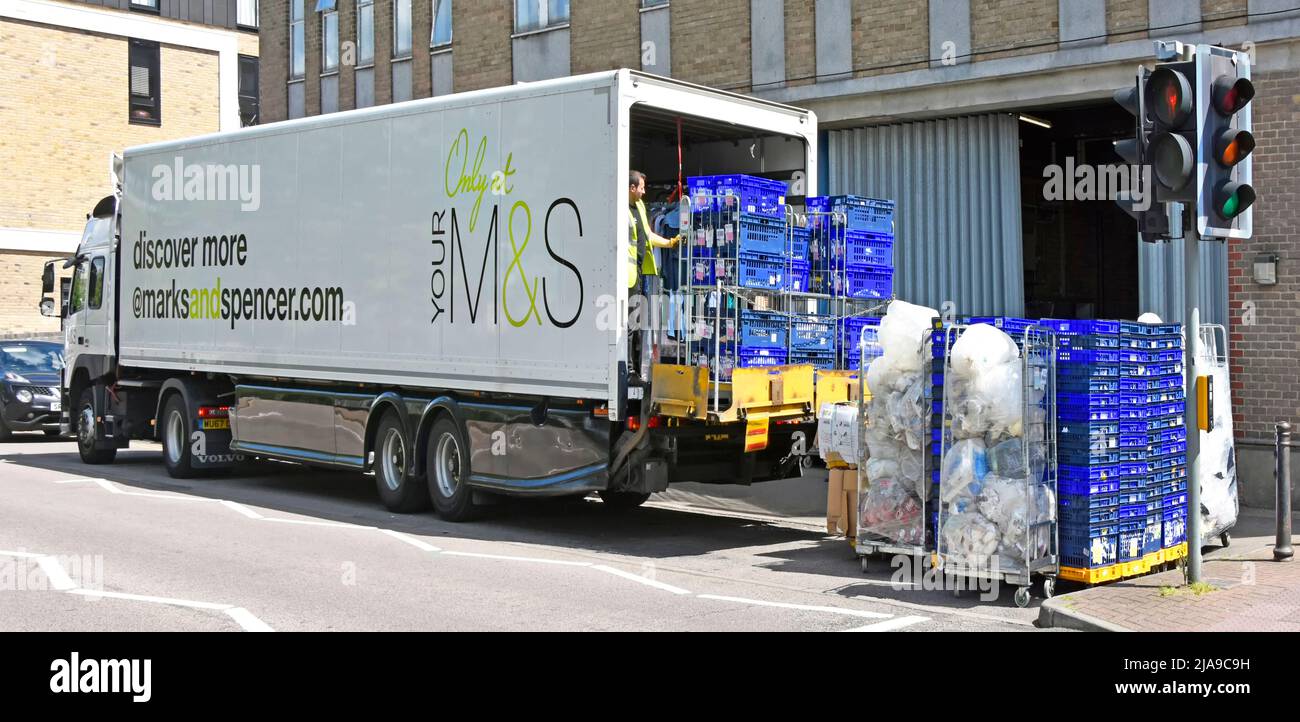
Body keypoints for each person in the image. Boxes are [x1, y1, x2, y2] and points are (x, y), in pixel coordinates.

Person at [626, 171, 681, 381]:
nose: (644, 190)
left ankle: (635, 370)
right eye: (641, 187)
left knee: (638, 323)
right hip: (627, 276)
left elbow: (647, 236)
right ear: (632, 188)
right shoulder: (621, 209)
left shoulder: (639, 206)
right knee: (630, 324)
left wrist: (668, 243)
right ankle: (629, 369)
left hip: (639, 274)